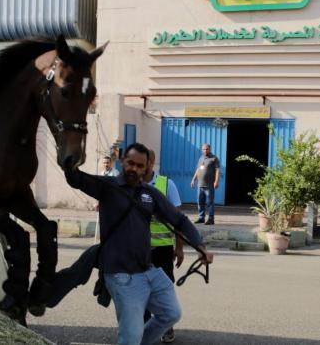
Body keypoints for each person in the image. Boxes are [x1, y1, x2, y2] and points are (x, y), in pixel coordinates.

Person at [64, 142, 213, 345]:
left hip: (148, 270)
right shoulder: (107, 187)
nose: (134, 168)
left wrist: (200, 247)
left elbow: (180, 220)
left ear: (146, 168)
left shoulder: (149, 194)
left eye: (139, 165)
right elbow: (76, 179)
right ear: (123, 161)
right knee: (130, 336)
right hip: (121, 274)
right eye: (130, 163)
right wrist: (68, 157)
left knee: (171, 313)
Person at [143, 149, 183, 343]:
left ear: (152, 161)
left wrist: (180, 247)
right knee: (139, 288)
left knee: (164, 288)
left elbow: (178, 219)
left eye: (145, 161)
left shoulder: (166, 184)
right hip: (137, 250)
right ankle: (143, 327)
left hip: (163, 248)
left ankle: (166, 327)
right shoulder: (130, 184)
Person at [190, 143, 220, 225]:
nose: (205, 150)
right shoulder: (201, 158)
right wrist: (193, 179)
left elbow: (217, 170)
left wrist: (216, 181)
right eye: (203, 149)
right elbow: (198, 170)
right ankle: (201, 218)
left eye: (207, 149)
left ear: (210, 149)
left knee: (210, 202)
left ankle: (211, 219)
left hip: (209, 185)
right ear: (202, 150)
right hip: (200, 185)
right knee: (200, 202)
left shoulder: (214, 158)